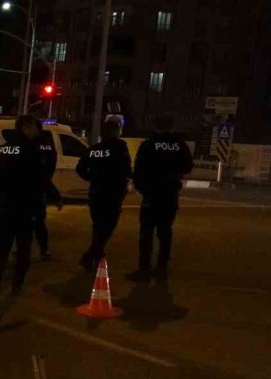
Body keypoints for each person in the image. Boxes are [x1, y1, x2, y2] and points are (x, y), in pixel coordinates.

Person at [0, 115, 54, 295]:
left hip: (5, 208)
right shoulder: (32, 149)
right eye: (33, 127)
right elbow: (40, 180)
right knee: (23, 251)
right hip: (25, 209)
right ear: (27, 127)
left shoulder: (4, 150)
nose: (36, 131)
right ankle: (17, 285)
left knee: (1, 249)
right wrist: (44, 205)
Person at [129, 115, 193, 281]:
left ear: (156, 126)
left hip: (151, 194)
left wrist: (142, 188)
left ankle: (144, 269)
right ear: (171, 126)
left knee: (146, 233)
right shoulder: (179, 144)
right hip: (170, 194)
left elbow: (138, 169)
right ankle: (162, 267)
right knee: (165, 232)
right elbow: (188, 166)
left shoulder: (149, 144)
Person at [76, 120, 133, 270]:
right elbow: (126, 168)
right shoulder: (120, 147)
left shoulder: (94, 149)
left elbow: (80, 168)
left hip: (96, 192)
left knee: (98, 225)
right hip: (113, 193)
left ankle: (96, 255)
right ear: (115, 131)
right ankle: (91, 255)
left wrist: (93, 177)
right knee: (108, 226)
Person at [31, 119, 63, 259]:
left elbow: (43, 175)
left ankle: (42, 249)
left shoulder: (38, 145)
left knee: (37, 222)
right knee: (35, 223)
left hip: (34, 192)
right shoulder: (43, 145)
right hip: (30, 192)